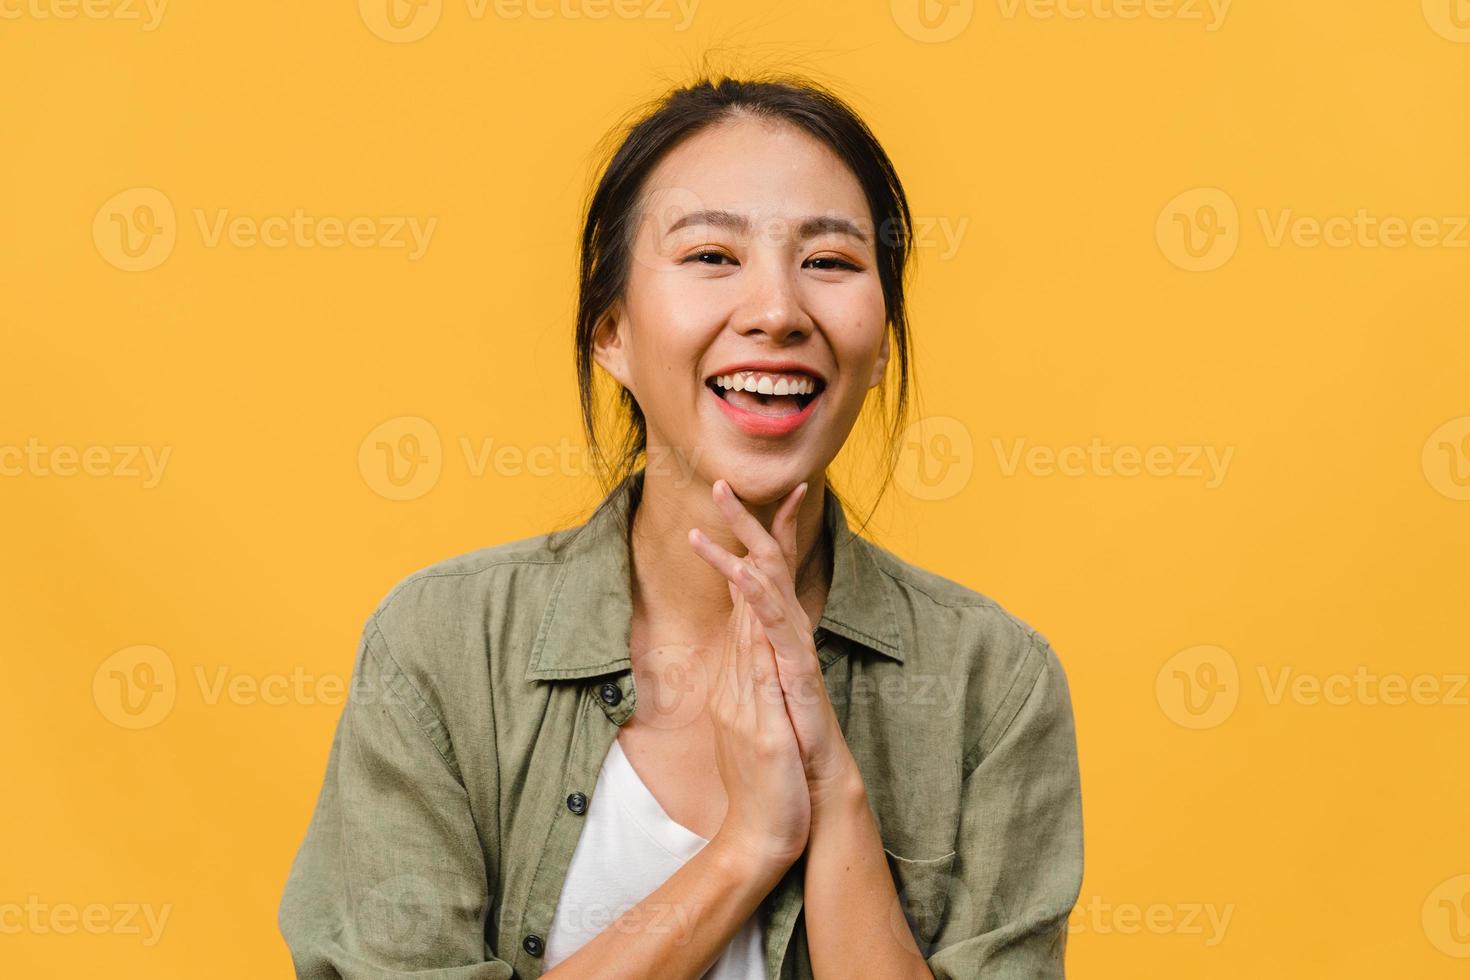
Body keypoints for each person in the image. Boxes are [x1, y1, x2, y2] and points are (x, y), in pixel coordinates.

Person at [279, 73, 1083, 979]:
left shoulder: (993, 684)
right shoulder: (441, 651)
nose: (778, 312)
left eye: (830, 261)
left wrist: (837, 793)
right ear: (610, 331)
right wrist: (747, 847)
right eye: (710, 256)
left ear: (883, 336)